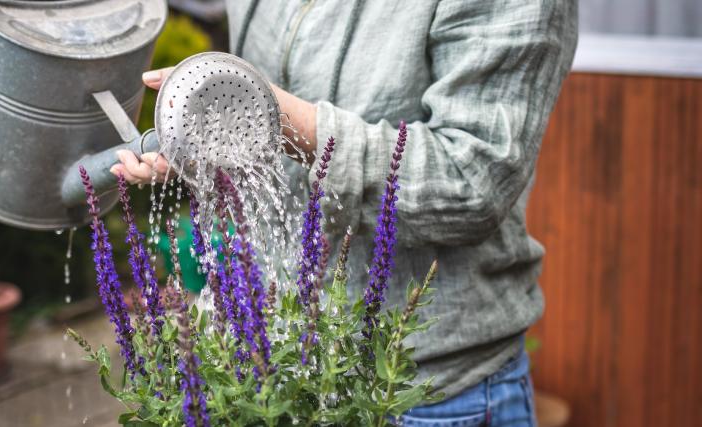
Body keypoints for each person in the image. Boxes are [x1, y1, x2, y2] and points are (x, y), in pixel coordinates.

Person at [113, 1, 578, 425]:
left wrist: (284, 120)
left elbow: (472, 181)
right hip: (272, 372)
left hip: (420, 393)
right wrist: (206, 141)